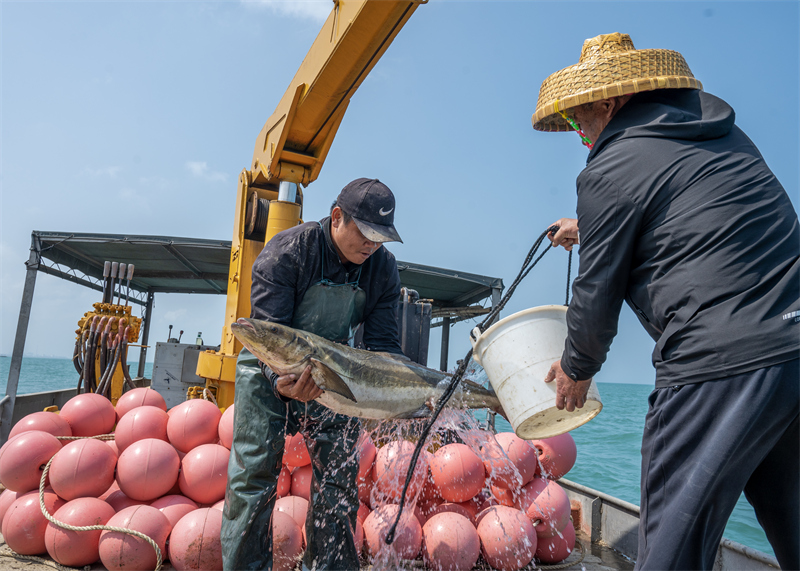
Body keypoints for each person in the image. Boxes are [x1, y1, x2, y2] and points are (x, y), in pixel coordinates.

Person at [533, 33, 799, 569]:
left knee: (671, 547)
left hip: (718, 362)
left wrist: (577, 367)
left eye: (577, 119)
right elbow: (693, 222)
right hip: (792, 345)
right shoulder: (721, 134)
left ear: (607, 102)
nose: (577, 133)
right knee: (792, 517)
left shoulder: (608, 169)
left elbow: (597, 288)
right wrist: (589, 228)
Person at [221, 178, 404, 570]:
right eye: (367, 233)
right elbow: (269, 335)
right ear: (337, 217)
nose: (372, 245)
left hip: (332, 374)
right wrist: (282, 384)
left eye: (381, 237)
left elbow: (384, 347)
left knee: (339, 478)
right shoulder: (288, 251)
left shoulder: (382, 269)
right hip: (269, 371)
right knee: (253, 479)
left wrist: (397, 396)